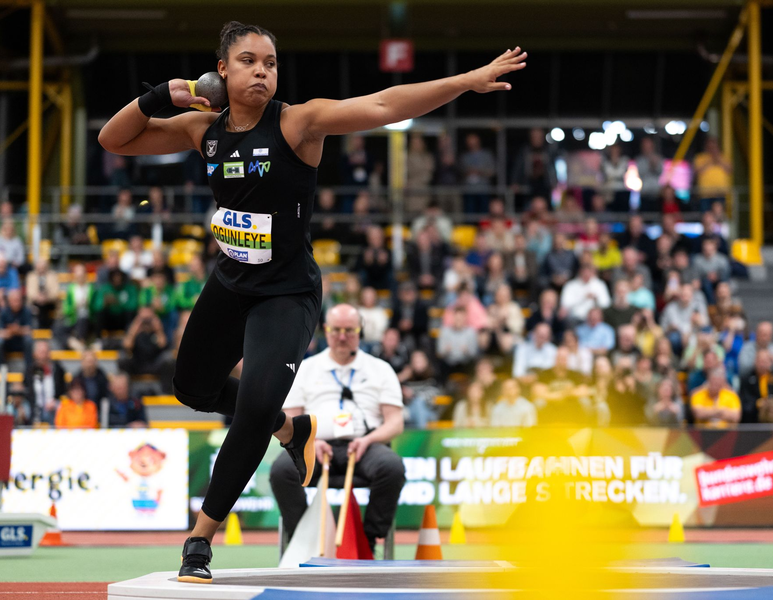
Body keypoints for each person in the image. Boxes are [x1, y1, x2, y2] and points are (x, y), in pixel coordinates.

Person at [99, 20, 526, 583]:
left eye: (270, 63)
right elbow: (113, 138)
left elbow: (382, 103)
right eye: (248, 60)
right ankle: (288, 428)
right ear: (221, 70)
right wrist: (161, 95)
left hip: (287, 292)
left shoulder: (299, 122)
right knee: (191, 389)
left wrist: (467, 80)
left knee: (248, 409)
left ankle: (199, 540)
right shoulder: (203, 128)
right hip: (230, 282)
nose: (261, 71)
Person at [271, 304, 405, 554]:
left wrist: (368, 440)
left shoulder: (381, 369)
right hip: (314, 446)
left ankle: (367, 540)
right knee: (281, 471)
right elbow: (288, 418)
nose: (342, 336)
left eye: (349, 330)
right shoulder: (306, 368)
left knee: (392, 467)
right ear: (326, 330)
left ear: (360, 331)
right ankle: (305, 540)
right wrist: (308, 442)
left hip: (365, 445)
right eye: (336, 330)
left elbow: (395, 422)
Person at [24, 340, 67, 426]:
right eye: (41, 352)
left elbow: (63, 389)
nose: (43, 356)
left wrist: (55, 401)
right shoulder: (30, 371)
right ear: (35, 354)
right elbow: (27, 389)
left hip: (53, 407)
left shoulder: (57, 370)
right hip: (35, 408)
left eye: (45, 352)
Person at [739, 349, 773, 424]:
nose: (762, 365)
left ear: (770, 363)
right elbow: (744, 400)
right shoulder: (747, 378)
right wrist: (757, 403)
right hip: (753, 417)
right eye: (760, 361)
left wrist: (772, 404)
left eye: (765, 362)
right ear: (755, 362)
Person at [1, 289, 34, 369]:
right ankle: (2, 368)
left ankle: (29, 368)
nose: (17, 303)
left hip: (21, 342)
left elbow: (30, 331)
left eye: (19, 300)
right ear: (9, 301)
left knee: (28, 340)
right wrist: (11, 331)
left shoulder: (26, 311)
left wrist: (17, 330)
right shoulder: (4, 312)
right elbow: (1, 332)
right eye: (14, 301)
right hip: (8, 342)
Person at [25, 257, 61, 329]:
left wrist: (47, 297)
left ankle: (44, 329)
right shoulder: (31, 276)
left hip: (50, 302)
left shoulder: (52, 275)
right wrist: (38, 297)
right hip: (35, 302)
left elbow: (55, 291)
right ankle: (42, 330)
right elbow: (29, 292)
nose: (41, 269)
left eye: (43, 267)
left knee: (43, 307)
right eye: (39, 267)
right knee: (39, 307)